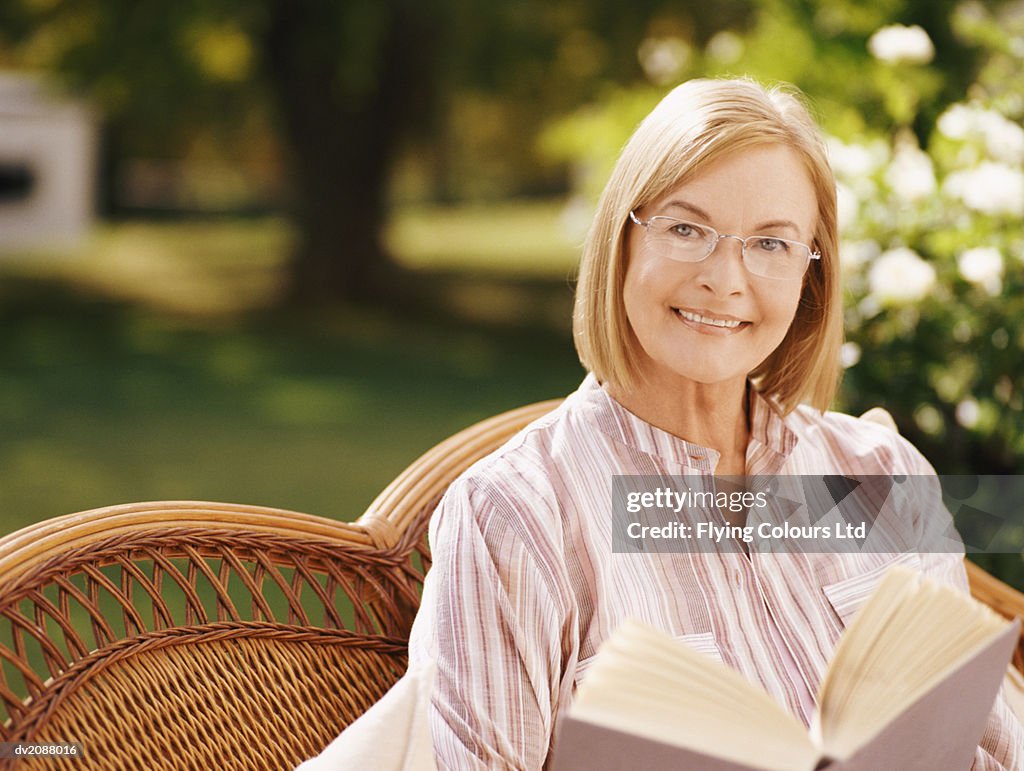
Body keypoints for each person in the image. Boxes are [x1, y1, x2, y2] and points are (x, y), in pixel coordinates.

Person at [406, 77, 1024, 770]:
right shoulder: (515, 514)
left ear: (808, 277)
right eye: (686, 229)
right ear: (622, 241)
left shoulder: (883, 474)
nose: (726, 279)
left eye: (770, 244)